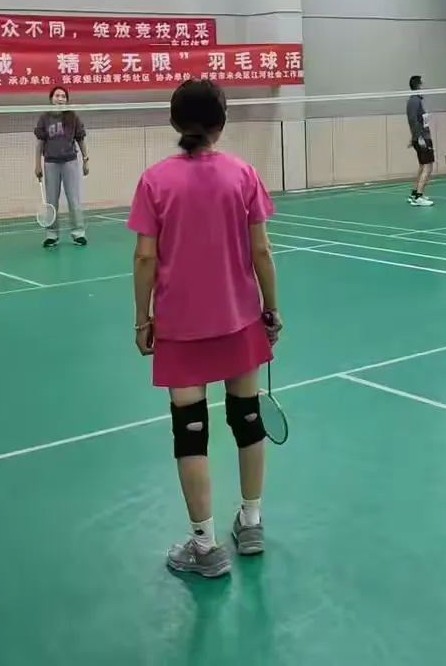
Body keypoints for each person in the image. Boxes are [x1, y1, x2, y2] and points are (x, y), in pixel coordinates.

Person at [127, 79, 281, 578]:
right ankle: (251, 523)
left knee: (190, 433)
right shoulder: (243, 174)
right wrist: (271, 310)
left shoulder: (154, 181)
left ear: (175, 122)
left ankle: (205, 546)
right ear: (222, 122)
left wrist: (143, 318)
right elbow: (262, 250)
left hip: (179, 327)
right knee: (248, 419)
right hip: (239, 319)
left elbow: (145, 257)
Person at [34, 86, 90, 247]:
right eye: (57, 96)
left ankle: (78, 233)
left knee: (74, 199)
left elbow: (80, 139)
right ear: (51, 99)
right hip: (50, 163)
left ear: (67, 100)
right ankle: (51, 235)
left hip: (70, 161)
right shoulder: (44, 118)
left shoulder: (73, 117)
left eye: (63, 96)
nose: (60, 99)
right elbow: (40, 143)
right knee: (51, 200)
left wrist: (85, 159)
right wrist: (37, 164)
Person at [406, 74, 434, 207]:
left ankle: (415, 193)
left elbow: (417, 120)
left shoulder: (417, 100)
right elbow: (413, 120)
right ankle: (418, 196)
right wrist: (418, 138)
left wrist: (413, 137)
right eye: (422, 83)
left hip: (421, 136)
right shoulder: (414, 101)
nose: (424, 86)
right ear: (418, 85)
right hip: (423, 138)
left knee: (423, 166)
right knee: (428, 167)